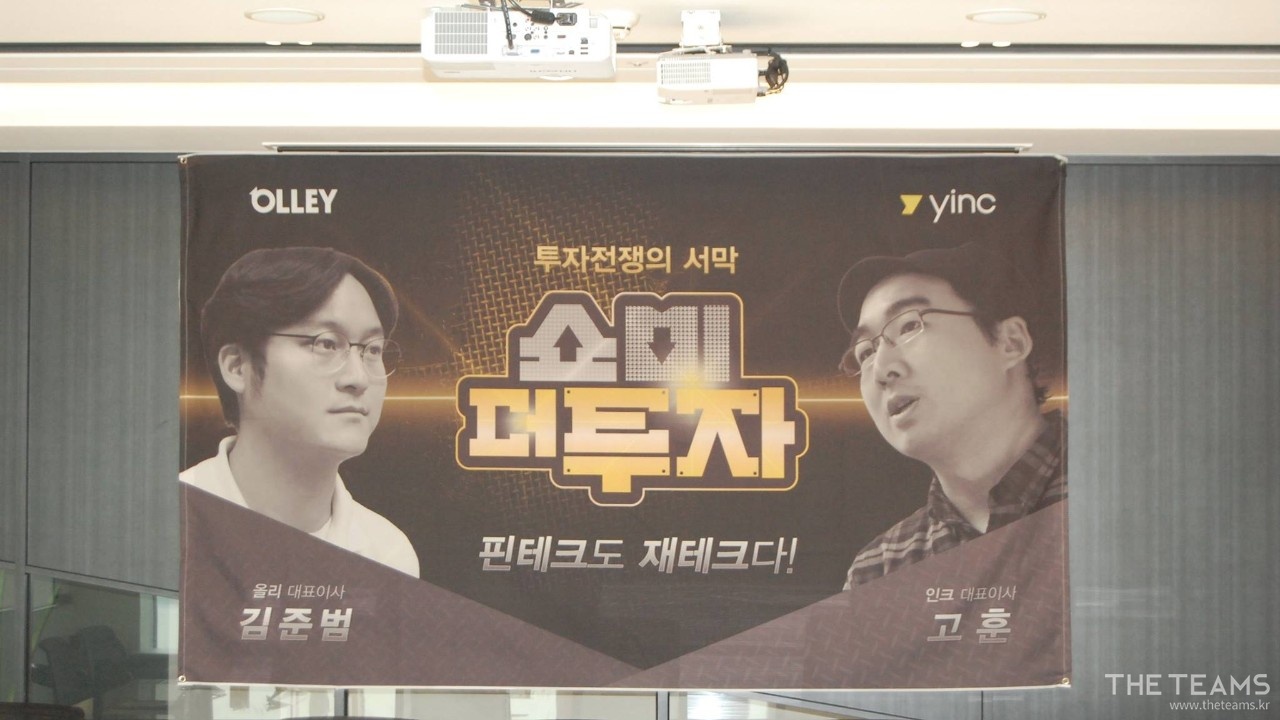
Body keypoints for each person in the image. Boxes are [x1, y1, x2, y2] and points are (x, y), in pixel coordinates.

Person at [836, 241, 1064, 589]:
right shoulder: (880, 568)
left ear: (1011, 343)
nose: (881, 369)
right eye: (865, 352)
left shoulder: (1125, 497)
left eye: (909, 326)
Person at [181, 246, 420, 577]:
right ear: (237, 366)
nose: (359, 378)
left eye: (372, 349)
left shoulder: (387, 553)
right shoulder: (169, 523)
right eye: (326, 344)